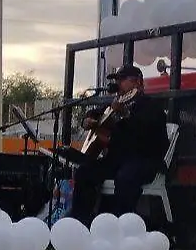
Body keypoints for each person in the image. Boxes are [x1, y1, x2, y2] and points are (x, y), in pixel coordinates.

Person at [69, 65, 169, 225]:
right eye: (117, 80)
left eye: (122, 80)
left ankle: (121, 224)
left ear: (137, 82)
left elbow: (149, 135)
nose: (118, 84)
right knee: (84, 172)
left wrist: (126, 114)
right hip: (117, 160)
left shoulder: (151, 106)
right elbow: (94, 114)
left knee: (126, 177)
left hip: (144, 159)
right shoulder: (117, 103)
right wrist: (87, 120)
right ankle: (80, 222)